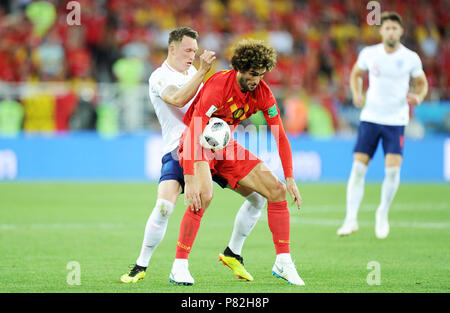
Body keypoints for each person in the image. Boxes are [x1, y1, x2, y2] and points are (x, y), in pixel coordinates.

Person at [120, 27, 266, 283]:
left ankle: (233, 252)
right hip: (180, 150)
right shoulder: (159, 77)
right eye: (188, 50)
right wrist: (202, 72)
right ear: (172, 48)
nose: (192, 55)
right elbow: (176, 99)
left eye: (195, 51)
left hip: (212, 147)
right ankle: (141, 265)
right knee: (165, 206)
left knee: (257, 198)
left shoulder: (195, 73)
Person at [169, 39, 305, 286]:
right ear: (240, 68)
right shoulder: (220, 85)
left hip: (225, 144)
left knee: (275, 190)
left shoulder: (263, 92)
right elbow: (195, 130)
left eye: (262, 75)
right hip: (198, 141)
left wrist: (290, 177)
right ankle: (179, 266)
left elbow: (280, 136)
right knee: (203, 196)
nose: (257, 80)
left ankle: (275, 260)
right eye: (253, 74)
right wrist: (189, 177)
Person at [337, 12, 428, 239]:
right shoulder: (370, 54)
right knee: (358, 169)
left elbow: (422, 83)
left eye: (394, 29)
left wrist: (419, 96)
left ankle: (382, 212)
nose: (390, 32)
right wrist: (357, 93)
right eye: (387, 28)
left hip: (396, 121)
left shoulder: (410, 58)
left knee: (393, 170)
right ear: (381, 31)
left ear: (401, 32)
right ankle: (350, 218)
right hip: (370, 118)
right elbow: (356, 73)